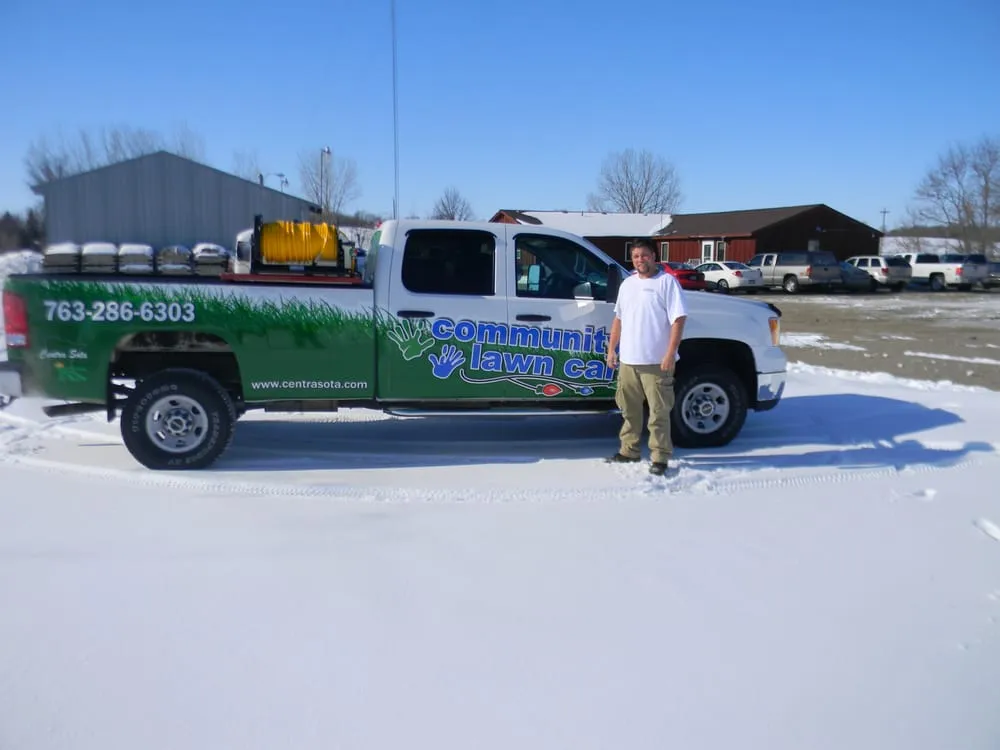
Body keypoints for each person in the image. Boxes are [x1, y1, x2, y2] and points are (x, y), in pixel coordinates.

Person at [605, 239, 688, 475]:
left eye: (644, 255)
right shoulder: (627, 284)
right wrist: (612, 350)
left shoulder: (667, 283)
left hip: (656, 362)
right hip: (629, 361)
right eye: (635, 256)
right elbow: (618, 319)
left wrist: (670, 353)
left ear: (654, 256)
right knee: (629, 411)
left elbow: (678, 319)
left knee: (658, 413)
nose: (640, 260)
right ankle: (629, 450)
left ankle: (660, 457)